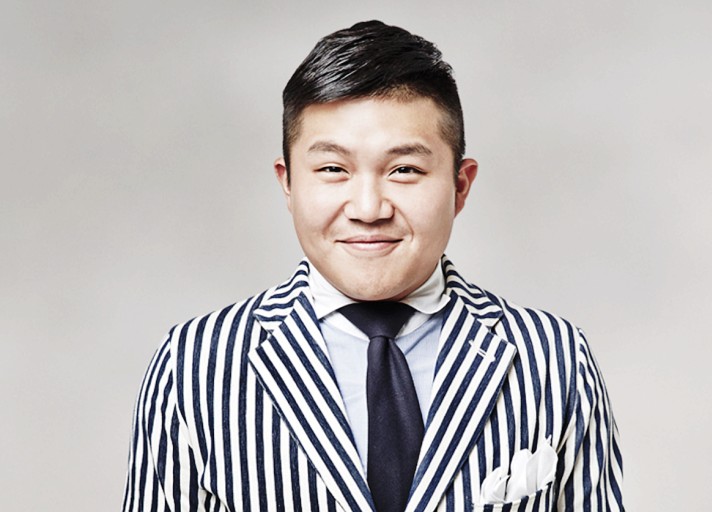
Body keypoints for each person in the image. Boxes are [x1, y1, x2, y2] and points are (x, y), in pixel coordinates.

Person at [122, 20, 623, 512]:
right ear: (288, 184)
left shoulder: (554, 359)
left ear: (460, 186)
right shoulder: (195, 365)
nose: (368, 208)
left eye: (404, 169)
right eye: (332, 169)